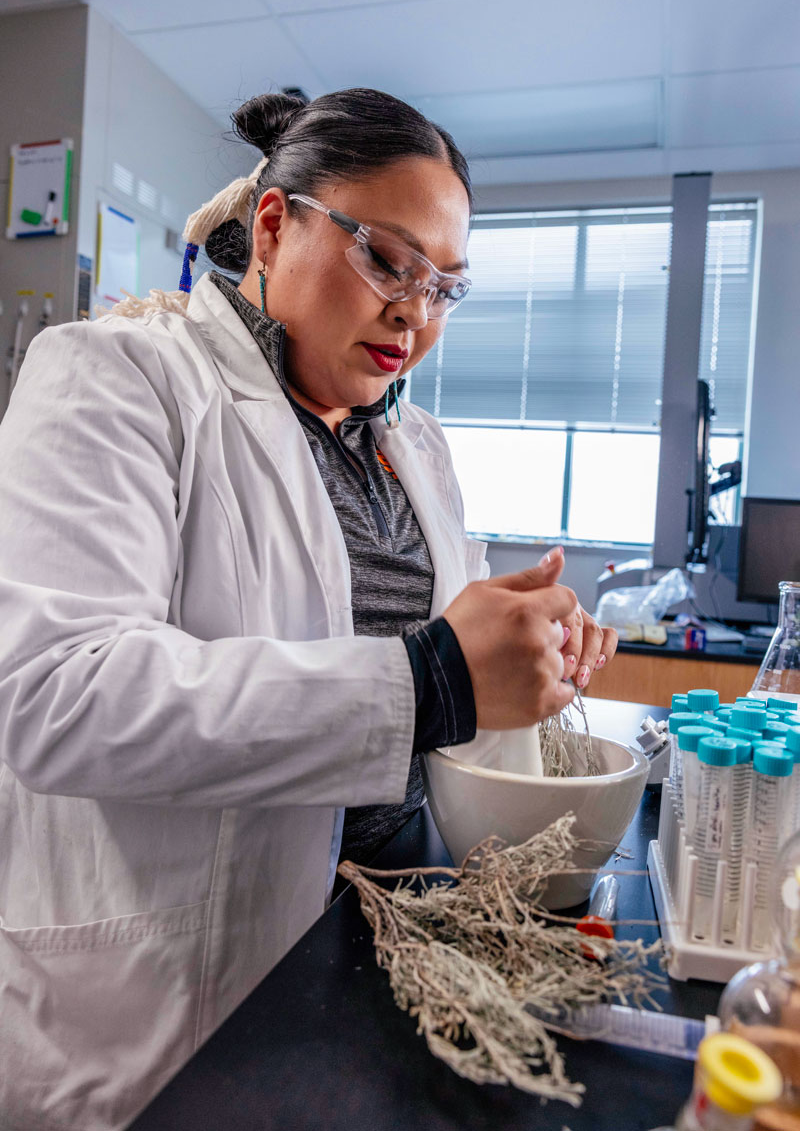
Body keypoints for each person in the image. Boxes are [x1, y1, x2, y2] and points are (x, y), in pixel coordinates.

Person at [0, 88, 617, 1130]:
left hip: (375, 949)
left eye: (442, 287)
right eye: (386, 259)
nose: (413, 313)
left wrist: (523, 655)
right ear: (278, 224)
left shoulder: (413, 448)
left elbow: (440, 670)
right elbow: (55, 693)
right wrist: (427, 679)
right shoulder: (115, 379)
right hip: (174, 996)